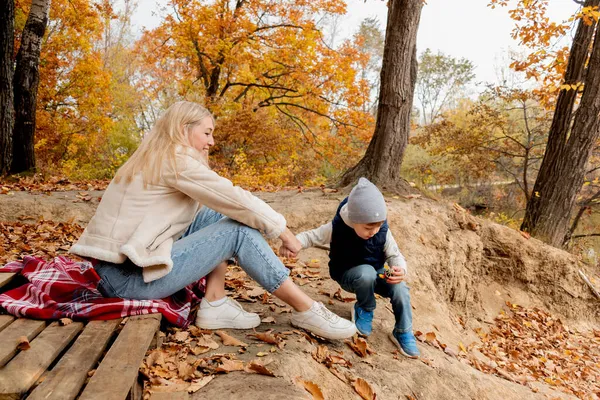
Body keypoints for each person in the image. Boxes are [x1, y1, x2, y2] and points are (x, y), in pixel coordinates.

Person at [69, 101, 356, 340]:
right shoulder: (175, 159)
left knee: (220, 216)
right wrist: (283, 231)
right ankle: (305, 309)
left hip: (117, 271)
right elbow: (233, 197)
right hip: (128, 281)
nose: (211, 141)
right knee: (237, 231)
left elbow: (223, 205)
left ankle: (215, 302)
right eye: (206, 133)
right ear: (184, 130)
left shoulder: (155, 155)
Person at [280, 178, 420, 357]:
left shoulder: (382, 231)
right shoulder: (337, 228)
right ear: (354, 220)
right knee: (366, 272)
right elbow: (310, 237)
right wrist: (294, 244)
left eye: (379, 226)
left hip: (376, 272)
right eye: (369, 227)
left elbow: (394, 255)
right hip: (348, 273)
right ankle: (364, 307)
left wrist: (399, 269)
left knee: (400, 288)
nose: (374, 231)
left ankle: (403, 330)